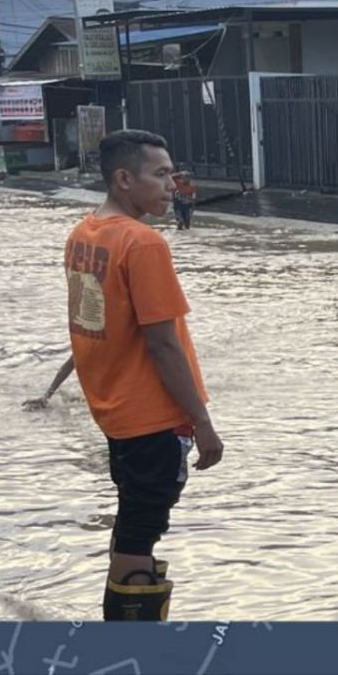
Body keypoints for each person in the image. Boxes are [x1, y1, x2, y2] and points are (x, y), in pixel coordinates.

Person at [64, 130, 223, 620]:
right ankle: (131, 646)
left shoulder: (84, 233)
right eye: (160, 174)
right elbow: (162, 342)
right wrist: (201, 421)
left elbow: (91, 324)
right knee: (140, 531)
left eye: (172, 173)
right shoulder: (143, 242)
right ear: (124, 179)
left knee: (133, 523)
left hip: (114, 411)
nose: (171, 184)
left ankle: (125, 636)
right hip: (152, 415)